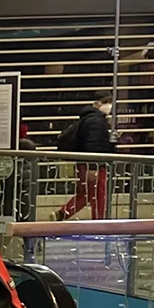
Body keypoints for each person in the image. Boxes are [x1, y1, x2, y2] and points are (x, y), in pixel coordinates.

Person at [56, 92, 117, 220]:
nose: (109, 106)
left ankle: (63, 213)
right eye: (107, 102)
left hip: (84, 163)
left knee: (85, 194)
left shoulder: (89, 118)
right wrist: (94, 167)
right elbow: (93, 144)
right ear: (97, 103)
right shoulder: (96, 121)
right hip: (94, 164)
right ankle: (100, 224)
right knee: (99, 196)